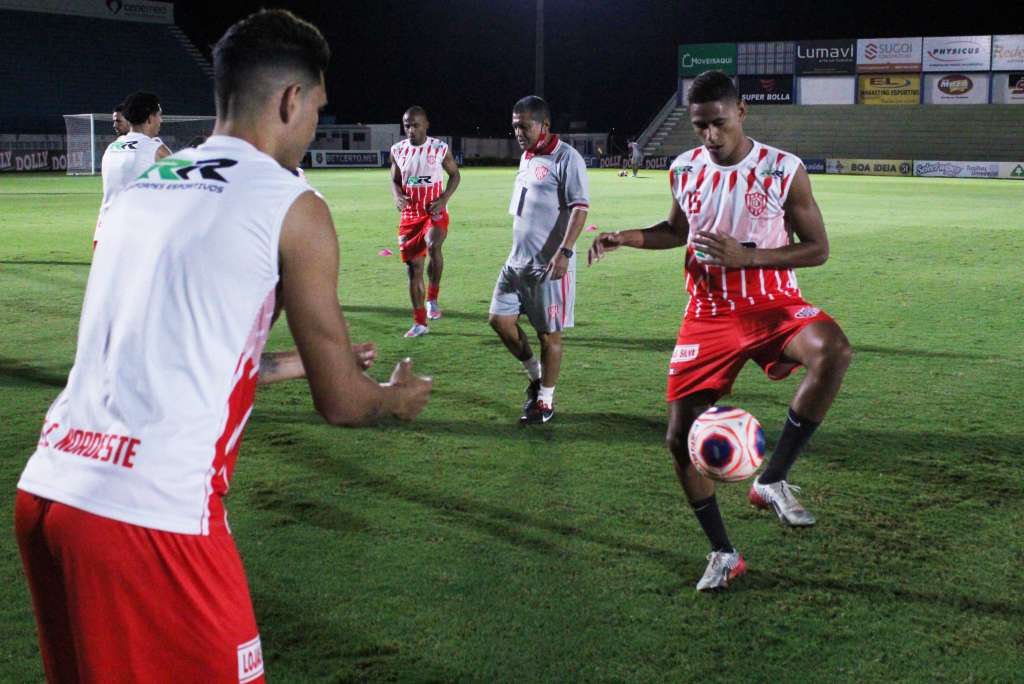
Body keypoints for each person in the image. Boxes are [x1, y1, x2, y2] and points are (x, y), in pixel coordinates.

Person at [15, 9, 432, 683]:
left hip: (49, 491)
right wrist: (393, 398)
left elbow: (180, 354)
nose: (314, 123)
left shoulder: (147, 185)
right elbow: (343, 404)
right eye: (317, 107)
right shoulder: (291, 202)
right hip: (152, 514)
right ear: (291, 99)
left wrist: (297, 365)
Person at [587, 70, 852, 591]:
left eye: (719, 123)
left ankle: (772, 479)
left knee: (834, 352)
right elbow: (676, 231)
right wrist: (627, 237)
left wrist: (748, 258)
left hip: (774, 303)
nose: (710, 135)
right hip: (708, 312)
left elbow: (817, 249)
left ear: (742, 112)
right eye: (700, 125)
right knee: (679, 439)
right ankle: (724, 553)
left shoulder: (783, 169)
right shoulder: (685, 168)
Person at [489, 95, 589, 424]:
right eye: (514, 126)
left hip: (548, 265)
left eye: (524, 126)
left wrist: (565, 251)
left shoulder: (567, 157)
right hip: (516, 261)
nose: (517, 132)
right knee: (499, 321)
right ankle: (536, 377)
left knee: (549, 335)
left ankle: (545, 401)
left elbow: (580, 208)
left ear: (544, 124)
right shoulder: (527, 156)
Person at [389, 106, 461, 337]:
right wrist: (397, 196)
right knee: (414, 269)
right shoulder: (397, 150)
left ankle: (432, 298)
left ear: (426, 125)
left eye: (415, 125)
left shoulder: (439, 148)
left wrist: (443, 199)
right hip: (410, 215)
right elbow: (395, 179)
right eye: (407, 125)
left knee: (433, 245)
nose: (411, 130)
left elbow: (455, 175)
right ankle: (420, 323)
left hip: (434, 210)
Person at [94, 92, 172, 247]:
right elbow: (181, 190)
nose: (161, 120)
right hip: (136, 237)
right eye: (159, 115)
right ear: (150, 118)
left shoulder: (112, 147)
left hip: (104, 233)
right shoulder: (156, 150)